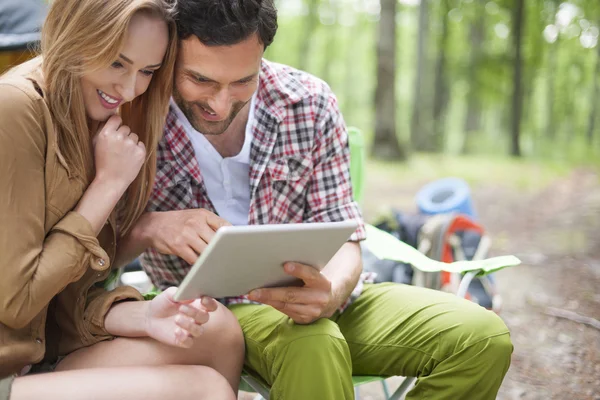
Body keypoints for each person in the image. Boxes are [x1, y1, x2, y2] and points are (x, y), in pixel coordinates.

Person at [126, 1, 514, 399]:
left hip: (325, 303)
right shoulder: (133, 116)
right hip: (209, 315)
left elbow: (346, 234)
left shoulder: (308, 102)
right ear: (171, 53)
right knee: (315, 344)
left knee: (482, 338)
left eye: (243, 81)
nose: (221, 103)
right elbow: (93, 252)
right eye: (201, 80)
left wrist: (332, 291)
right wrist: (151, 227)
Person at [0, 1, 244, 399]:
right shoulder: (15, 107)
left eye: (147, 71)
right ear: (76, 36)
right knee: (204, 390)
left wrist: (143, 315)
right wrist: (108, 184)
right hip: (7, 362)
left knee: (218, 333)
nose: (130, 89)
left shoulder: (104, 114)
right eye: (117, 63)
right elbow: (18, 302)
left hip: (47, 343)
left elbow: (70, 291)